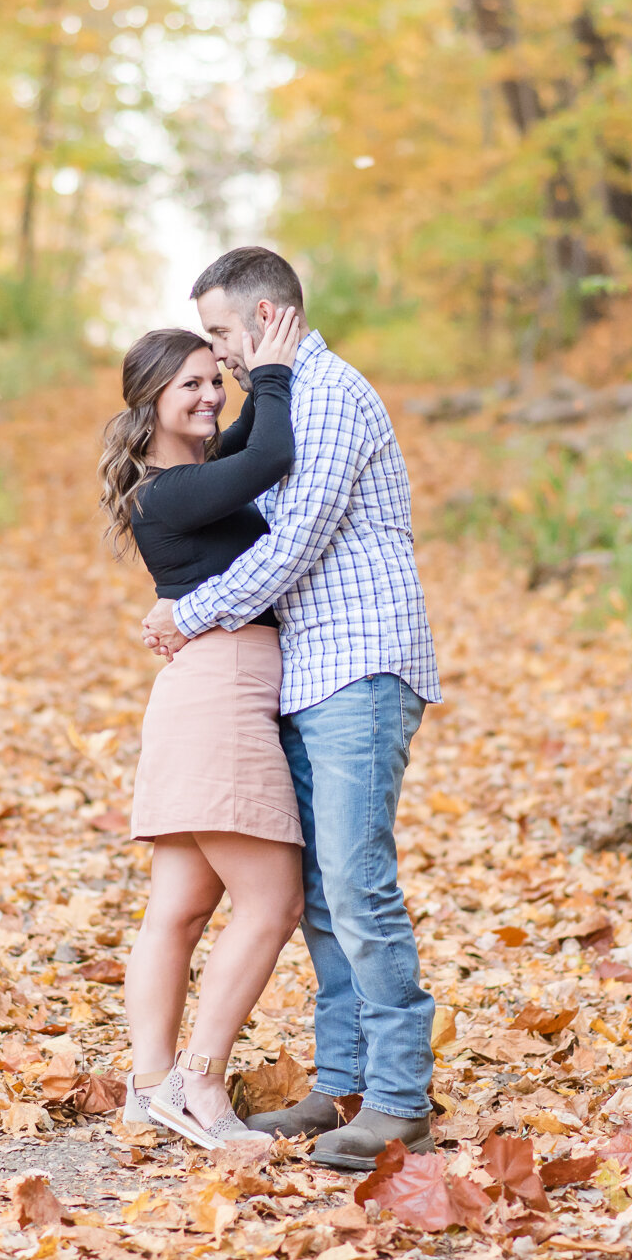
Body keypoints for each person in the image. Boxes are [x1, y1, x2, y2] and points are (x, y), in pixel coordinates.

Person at [141, 247, 442, 1171]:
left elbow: (296, 543)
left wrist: (182, 615)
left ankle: (397, 1098)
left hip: (359, 666)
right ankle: (342, 1082)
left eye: (226, 333)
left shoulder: (330, 393)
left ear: (270, 316)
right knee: (319, 895)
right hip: (309, 673)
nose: (222, 359)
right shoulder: (285, 395)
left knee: (356, 883)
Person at [98, 308, 309, 1148]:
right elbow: (272, 452)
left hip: (201, 694)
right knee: (272, 902)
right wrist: (280, 374)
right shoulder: (175, 487)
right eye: (189, 384)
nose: (209, 395)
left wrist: (254, 368)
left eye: (211, 380)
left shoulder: (185, 476)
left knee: (180, 908)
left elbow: (248, 434)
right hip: (220, 694)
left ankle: (147, 1087)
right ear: (149, 401)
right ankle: (200, 1085)